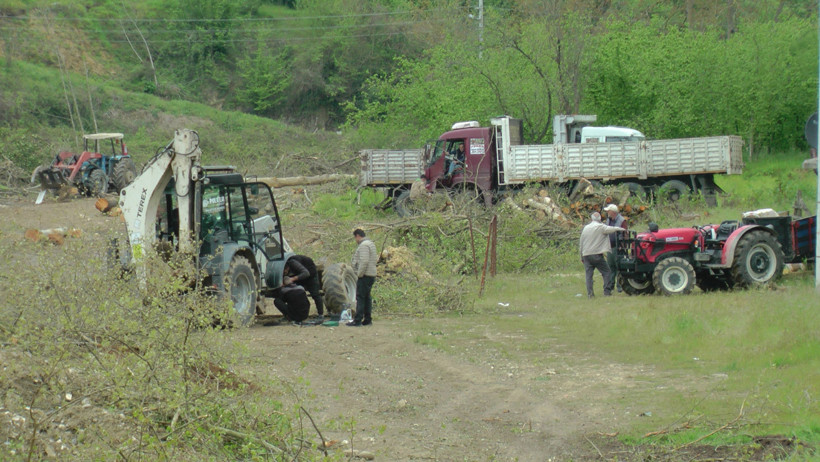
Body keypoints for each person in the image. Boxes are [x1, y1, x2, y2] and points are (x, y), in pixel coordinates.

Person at [580, 211, 626, 298]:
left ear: (591, 219)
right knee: (607, 272)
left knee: (589, 275)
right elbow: (612, 229)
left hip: (586, 254)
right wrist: (622, 229)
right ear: (600, 219)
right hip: (596, 255)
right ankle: (607, 291)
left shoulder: (586, 228)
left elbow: (581, 243)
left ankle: (590, 294)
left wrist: (581, 256)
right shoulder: (601, 227)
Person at [348, 228, 377, 326]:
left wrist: (359, 274)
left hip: (365, 275)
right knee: (367, 297)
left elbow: (364, 261)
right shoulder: (371, 244)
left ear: (357, 236)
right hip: (371, 274)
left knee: (360, 297)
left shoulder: (364, 246)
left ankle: (358, 320)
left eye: (355, 238)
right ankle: (367, 319)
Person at [603, 204, 628, 293]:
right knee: (610, 267)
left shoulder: (622, 220)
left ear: (613, 212)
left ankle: (619, 286)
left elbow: (625, 234)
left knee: (619, 267)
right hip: (610, 246)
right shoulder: (608, 220)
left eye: (608, 211)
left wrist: (623, 246)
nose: (607, 212)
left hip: (619, 247)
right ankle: (611, 285)